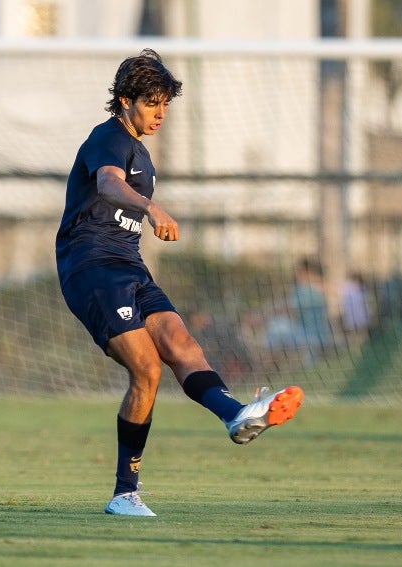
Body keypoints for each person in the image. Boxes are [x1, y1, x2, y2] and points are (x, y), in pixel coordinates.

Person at [55, 49, 303, 517]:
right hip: (91, 268)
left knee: (181, 342)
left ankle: (236, 415)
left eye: (165, 104)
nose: (160, 113)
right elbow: (108, 184)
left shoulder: (143, 154)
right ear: (125, 100)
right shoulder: (107, 138)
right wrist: (150, 209)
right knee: (147, 369)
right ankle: (124, 493)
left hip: (128, 266)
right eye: (152, 103)